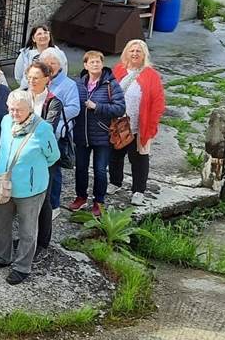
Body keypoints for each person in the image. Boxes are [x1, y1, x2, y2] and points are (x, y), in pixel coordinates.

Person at [0, 90, 60, 285]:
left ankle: (22, 266)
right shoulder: (6, 121)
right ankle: (2, 256)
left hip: (30, 189)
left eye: (19, 109)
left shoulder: (42, 129)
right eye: (11, 109)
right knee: (0, 224)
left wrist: (31, 170)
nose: (14, 113)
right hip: (3, 185)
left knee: (27, 230)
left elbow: (53, 156)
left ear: (30, 109)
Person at [68, 50, 126, 217]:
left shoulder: (111, 84)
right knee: (80, 168)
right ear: (85, 65)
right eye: (91, 62)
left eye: (98, 62)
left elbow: (120, 108)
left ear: (102, 64)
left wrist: (98, 107)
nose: (95, 64)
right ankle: (81, 197)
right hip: (81, 134)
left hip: (102, 135)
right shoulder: (78, 84)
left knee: (100, 170)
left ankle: (99, 201)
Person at [109, 39, 166, 207]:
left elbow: (158, 102)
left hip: (139, 126)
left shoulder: (151, 75)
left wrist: (150, 125)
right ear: (126, 52)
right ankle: (115, 182)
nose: (134, 54)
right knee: (115, 156)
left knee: (139, 159)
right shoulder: (118, 70)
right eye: (131, 51)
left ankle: (138, 191)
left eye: (138, 51)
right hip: (119, 124)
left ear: (144, 55)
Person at [24, 62, 64, 257]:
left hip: (44, 159)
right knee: (26, 199)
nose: (32, 81)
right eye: (29, 77)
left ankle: (42, 242)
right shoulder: (22, 95)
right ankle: (27, 237)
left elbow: (47, 128)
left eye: (36, 78)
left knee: (43, 200)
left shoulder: (53, 101)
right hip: (23, 157)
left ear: (47, 79)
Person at [39, 49, 80, 217]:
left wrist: (54, 116)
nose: (49, 66)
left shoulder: (68, 84)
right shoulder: (40, 80)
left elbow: (75, 108)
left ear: (60, 65)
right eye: (46, 63)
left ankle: (54, 205)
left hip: (55, 134)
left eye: (53, 63)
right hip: (35, 132)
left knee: (53, 171)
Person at [14, 25, 68, 89]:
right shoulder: (25, 54)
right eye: (39, 34)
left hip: (53, 90)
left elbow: (63, 73)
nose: (43, 36)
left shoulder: (59, 53)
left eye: (45, 33)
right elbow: (18, 76)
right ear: (33, 38)